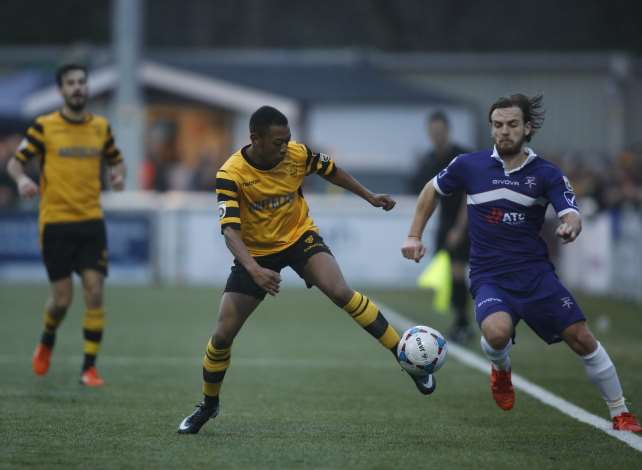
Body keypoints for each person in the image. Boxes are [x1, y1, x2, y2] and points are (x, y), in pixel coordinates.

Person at [178, 105, 435, 434]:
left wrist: (368, 196)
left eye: (288, 140)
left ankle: (406, 358)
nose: (285, 148)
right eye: (277, 142)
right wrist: (254, 269)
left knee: (341, 291)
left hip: (300, 238)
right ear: (255, 138)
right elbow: (230, 230)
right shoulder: (230, 174)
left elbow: (330, 169)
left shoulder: (297, 154)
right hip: (256, 253)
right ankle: (209, 405)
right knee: (222, 335)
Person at [400, 94, 641, 432]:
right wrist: (414, 235)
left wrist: (571, 223)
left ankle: (621, 412)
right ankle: (501, 370)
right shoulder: (469, 165)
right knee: (496, 334)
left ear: (528, 128)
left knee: (582, 337)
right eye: (497, 125)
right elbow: (431, 190)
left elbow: (570, 209)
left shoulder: (546, 173)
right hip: (489, 276)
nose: (504, 131)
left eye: (512, 124)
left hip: (536, 276)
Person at [7, 63, 126, 387]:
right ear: (61, 90)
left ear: (86, 89)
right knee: (62, 300)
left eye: (81, 82)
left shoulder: (101, 127)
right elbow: (14, 162)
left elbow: (117, 159)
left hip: (91, 221)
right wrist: (20, 181)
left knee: (95, 291)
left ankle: (89, 367)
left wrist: (118, 175)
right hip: (56, 222)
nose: (77, 88)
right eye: (71, 83)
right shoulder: (44, 127)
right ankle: (47, 339)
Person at [409, 111, 473, 343]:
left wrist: (459, 228)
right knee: (450, 273)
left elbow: (470, 195)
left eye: (440, 131)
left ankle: (463, 323)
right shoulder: (429, 160)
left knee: (458, 271)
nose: (436, 135)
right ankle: (461, 321)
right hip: (445, 222)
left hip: (465, 220)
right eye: (433, 132)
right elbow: (426, 195)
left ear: (447, 131)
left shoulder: (461, 156)